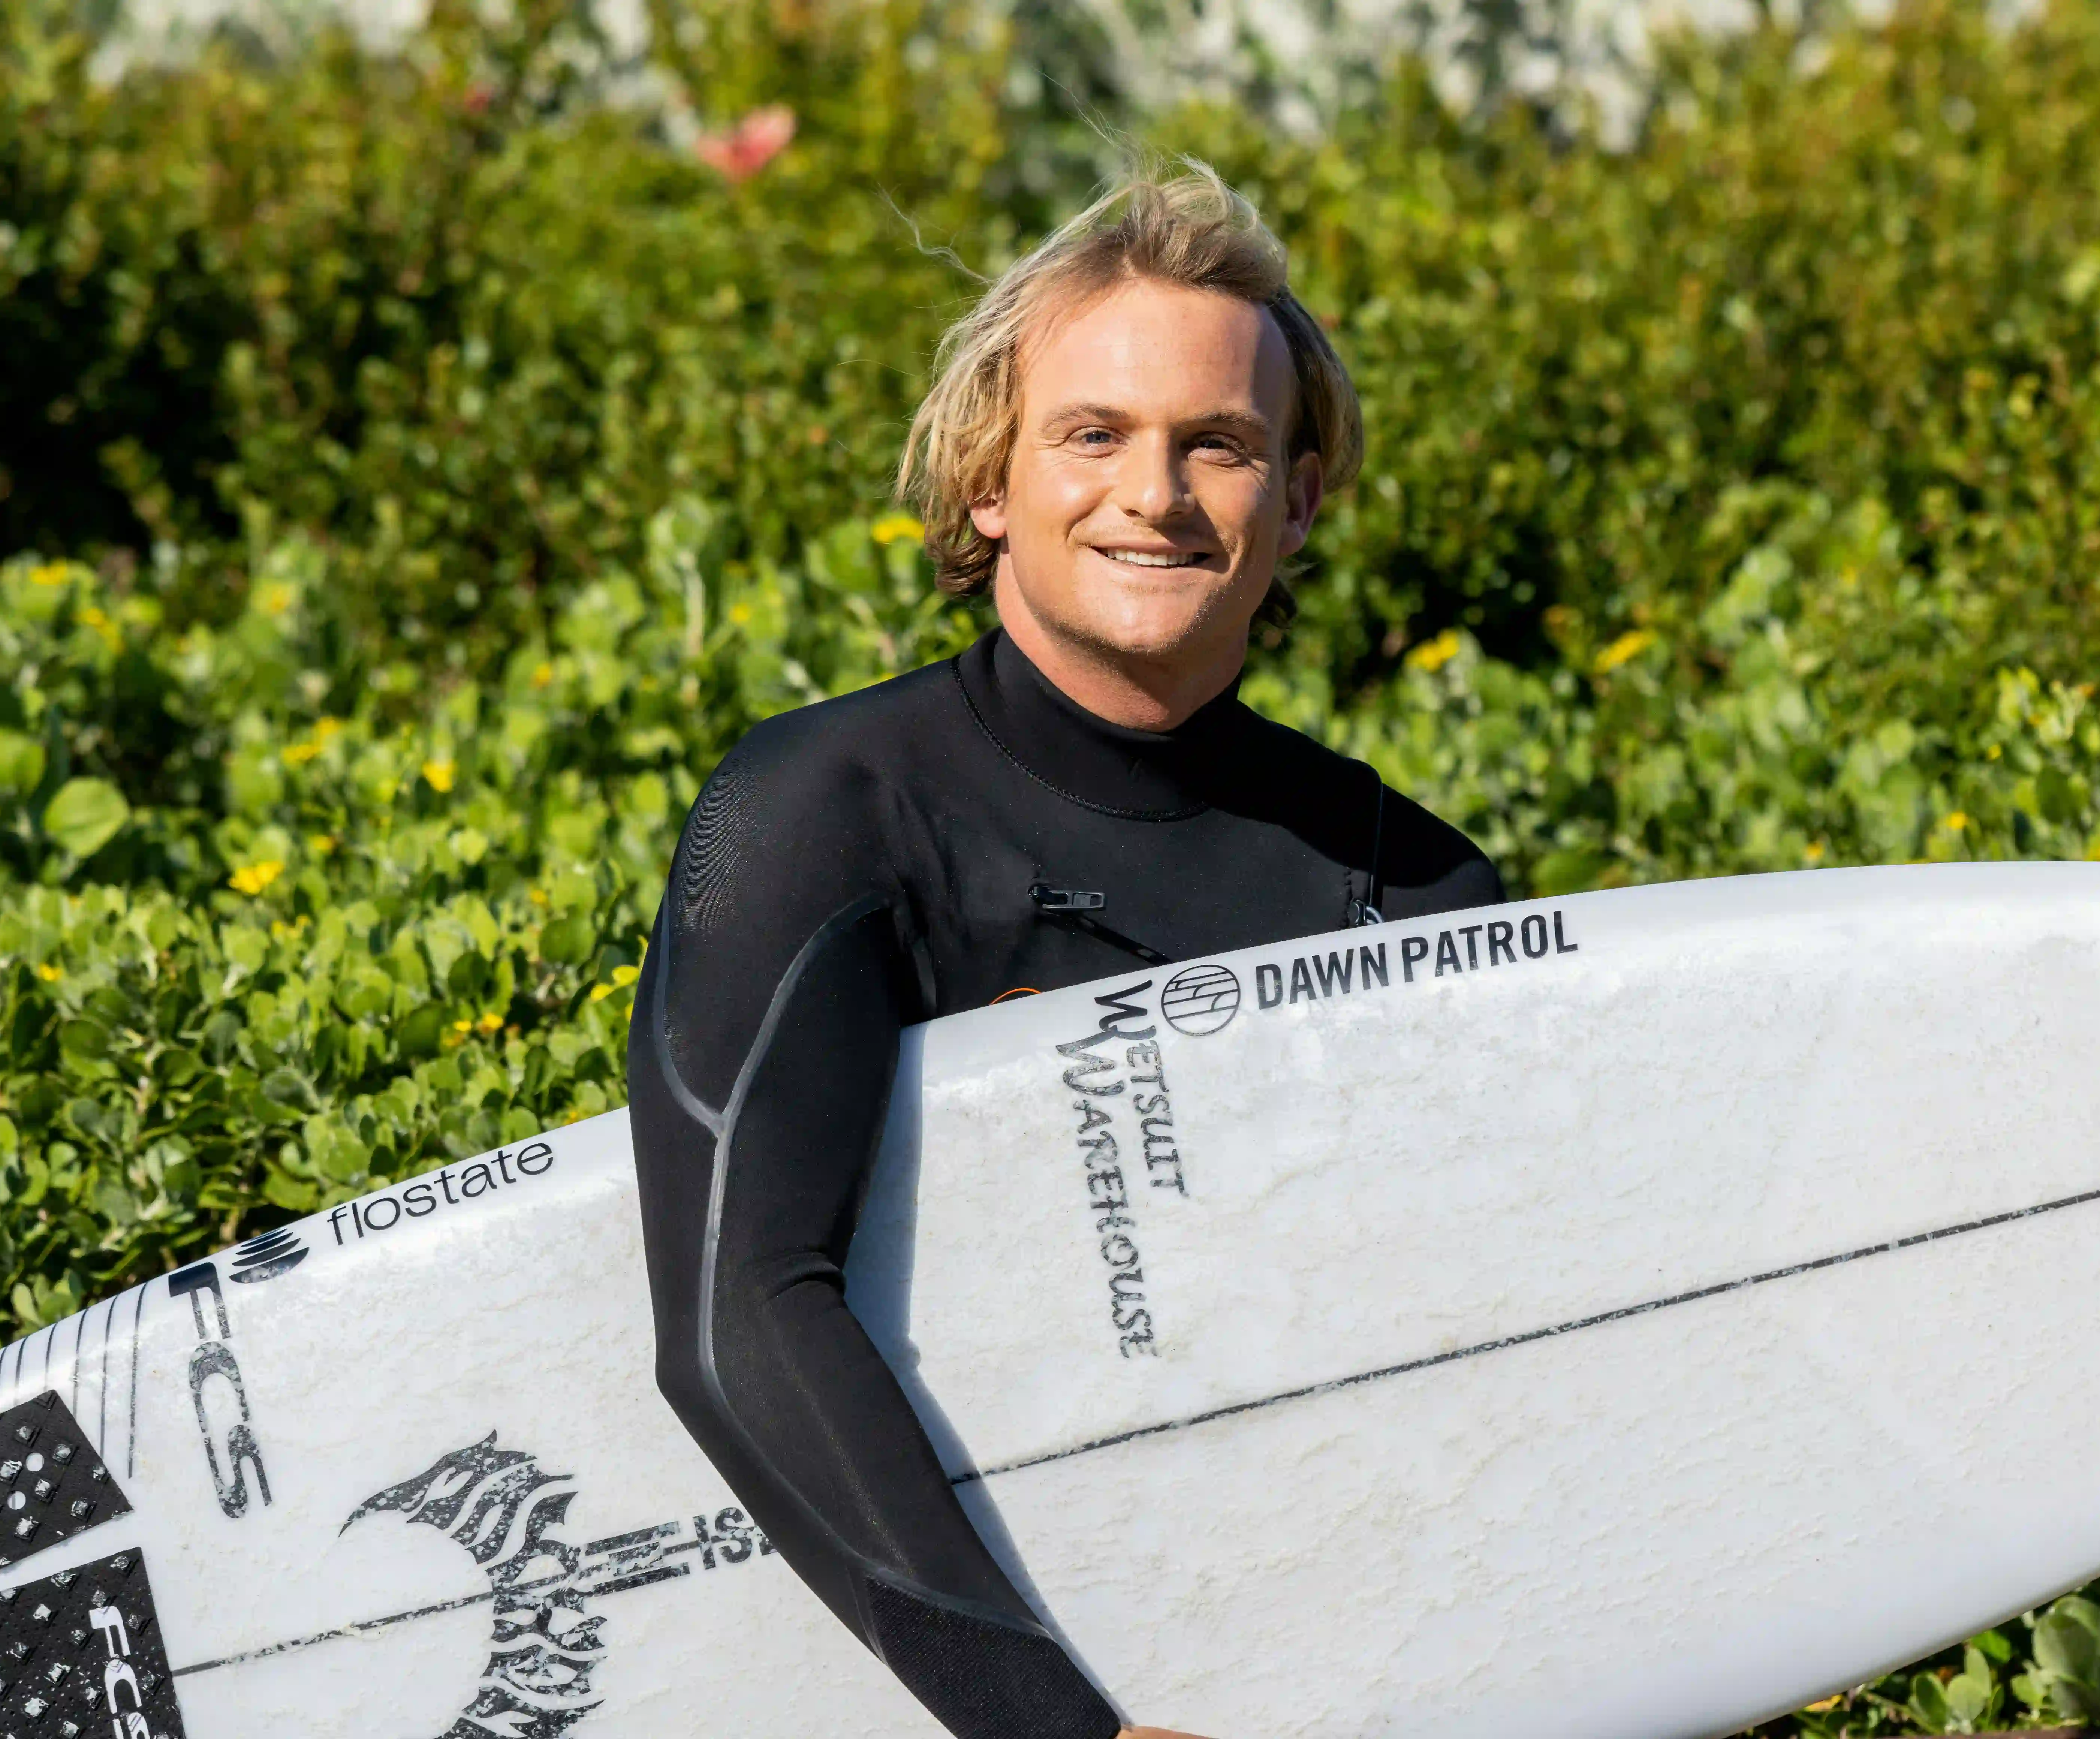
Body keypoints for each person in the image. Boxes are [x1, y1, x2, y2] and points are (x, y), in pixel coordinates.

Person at [625, 165, 1504, 1739]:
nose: (1153, 495)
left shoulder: (1413, 885)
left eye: (1218, 445)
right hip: (924, 1681)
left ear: (1297, 501)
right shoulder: (827, 814)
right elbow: (736, 1311)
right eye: (1091, 434)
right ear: (989, 480)